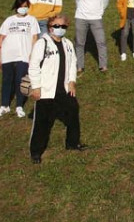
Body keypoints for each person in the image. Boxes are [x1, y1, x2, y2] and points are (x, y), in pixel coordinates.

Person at [28, 14, 85, 164]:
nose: (60, 29)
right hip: (46, 90)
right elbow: (33, 66)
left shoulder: (67, 43)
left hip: (64, 89)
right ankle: (36, 151)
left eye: (63, 26)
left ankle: (72, 143)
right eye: (56, 26)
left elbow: (73, 63)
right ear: (50, 27)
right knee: (42, 122)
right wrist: (36, 87)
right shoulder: (42, 43)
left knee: (73, 113)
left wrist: (72, 81)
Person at [0, 0, 40, 120]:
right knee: (7, 79)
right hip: (8, 54)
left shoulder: (32, 20)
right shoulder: (9, 20)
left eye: (25, 7)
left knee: (20, 80)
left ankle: (19, 106)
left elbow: (35, 37)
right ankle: (4, 105)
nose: (23, 9)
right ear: (16, 7)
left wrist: (33, 53)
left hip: (24, 54)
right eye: (21, 7)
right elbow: (1, 38)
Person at [74, 0, 110, 72]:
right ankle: (79, 66)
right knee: (80, 43)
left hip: (96, 18)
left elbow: (105, 0)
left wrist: (100, 11)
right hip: (81, 17)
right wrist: (82, 10)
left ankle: (103, 65)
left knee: (101, 42)